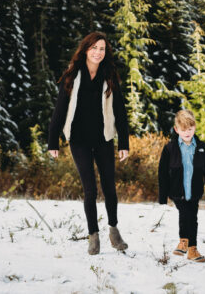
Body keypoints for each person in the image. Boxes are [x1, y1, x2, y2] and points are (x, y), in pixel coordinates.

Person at [48, 32, 130, 255]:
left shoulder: (109, 75)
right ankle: (93, 236)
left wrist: (124, 142)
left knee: (109, 188)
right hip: (79, 139)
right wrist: (52, 141)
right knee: (90, 190)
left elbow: (120, 111)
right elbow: (60, 109)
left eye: (102, 49)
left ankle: (113, 229)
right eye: (94, 48)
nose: (98, 52)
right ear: (86, 49)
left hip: (104, 138)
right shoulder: (72, 75)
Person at [157, 109, 205, 262]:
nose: (187, 132)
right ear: (177, 129)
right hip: (177, 190)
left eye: (190, 129)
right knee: (186, 214)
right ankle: (188, 244)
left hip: (194, 191)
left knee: (192, 217)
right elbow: (162, 173)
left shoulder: (202, 148)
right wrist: (163, 196)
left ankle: (189, 247)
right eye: (184, 129)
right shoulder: (170, 149)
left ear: (195, 128)